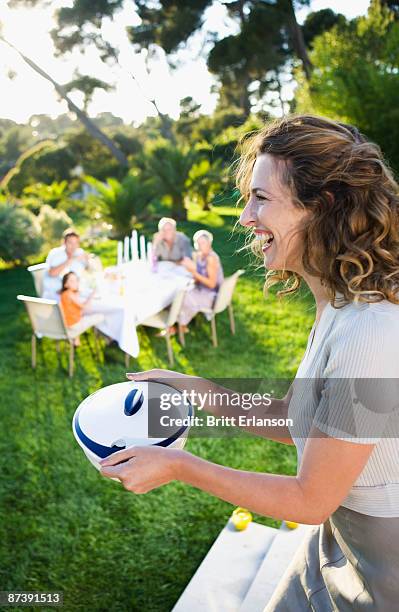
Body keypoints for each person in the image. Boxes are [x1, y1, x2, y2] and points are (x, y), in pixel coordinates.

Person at [100, 115, 399, 610]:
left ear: (321, 207)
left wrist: (179, 465)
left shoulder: (372, 332)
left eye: (261, 198)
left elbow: (310, 499)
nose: (244, 217)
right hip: (334, 542)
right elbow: (294, 418)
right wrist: (195, 387)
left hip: (383, 567)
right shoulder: (339, 300)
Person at [178, 230, 224, 333]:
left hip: (212, 295)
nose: (199, 246)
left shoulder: (211, 258)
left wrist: (193, 273)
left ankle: (180, 326)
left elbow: (212, 284)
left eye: (202, 243)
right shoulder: (200, 255)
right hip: (203, 289)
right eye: (197, 243)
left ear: (209, 243)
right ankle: (180, 321)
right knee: (181, 292)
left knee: (183, 297)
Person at [42, 229, 89, 300]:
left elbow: (88, 270)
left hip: (75, 292)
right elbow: (52, 273)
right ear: (64, 242)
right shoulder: (55, 253)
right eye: (70, 243)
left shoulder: (79, 252)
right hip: (56, 295)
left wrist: (88, 261)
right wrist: (71, 260)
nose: (73, 246)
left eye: (76, 243)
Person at [59, 272, 104, 346]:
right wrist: (92, 294)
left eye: (76, 280)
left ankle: (76, 341)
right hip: (74, 326)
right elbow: (85, 307)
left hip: (67, 324)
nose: (76, 283)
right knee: (101, 316)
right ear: (65, 285)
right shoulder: (69, 294)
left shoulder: (64, 294)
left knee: (83, 315)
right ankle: (108, 338)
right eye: (72, 281)